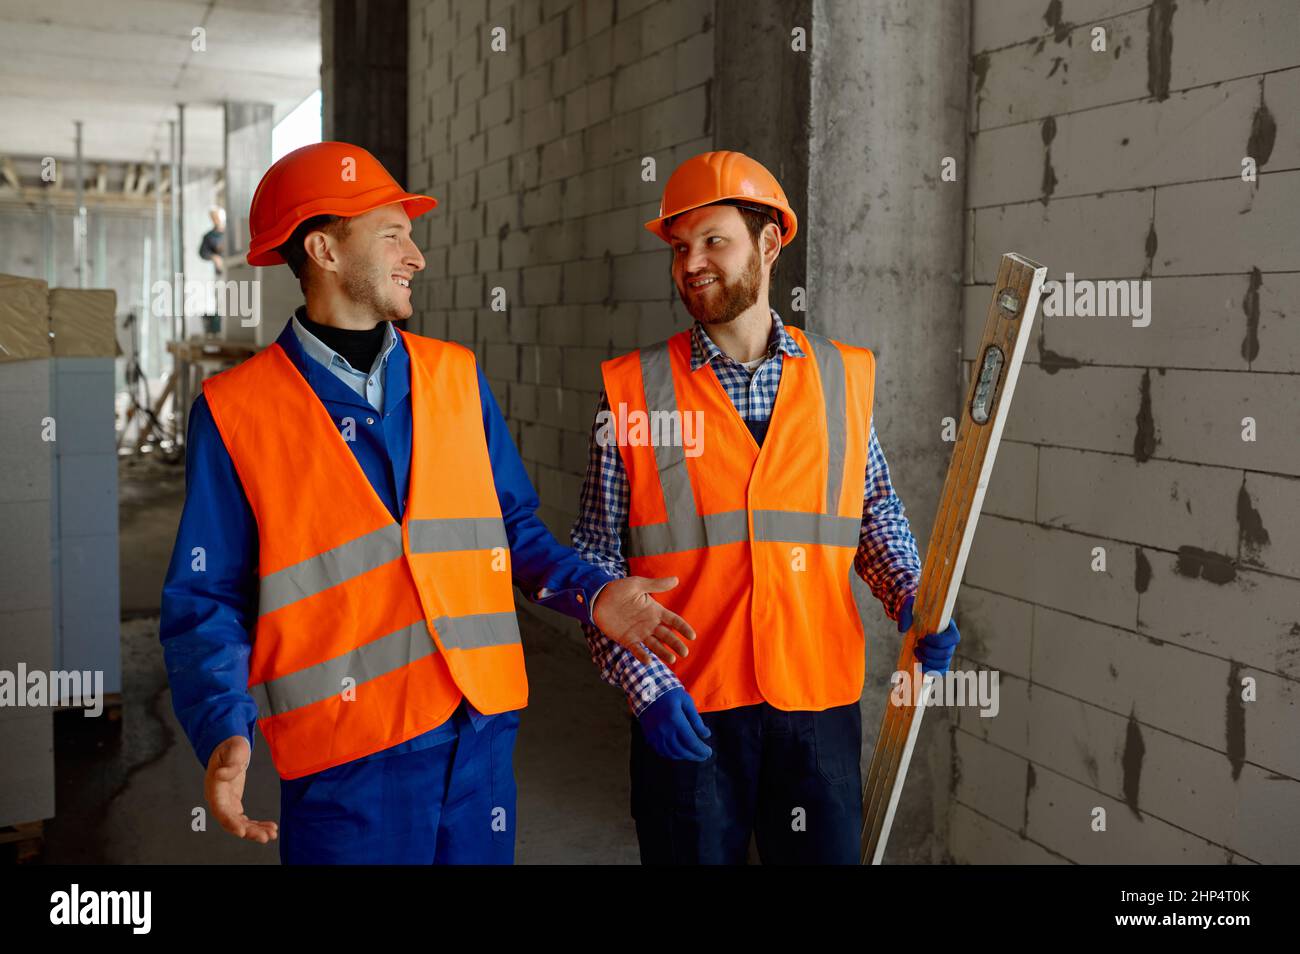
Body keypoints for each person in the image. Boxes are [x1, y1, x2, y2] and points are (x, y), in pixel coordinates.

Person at [160, 141, 695, 864]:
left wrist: (593, 595)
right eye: (393, 235)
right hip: (345, 764)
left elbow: (513, 528)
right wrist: (223, 724)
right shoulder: (235, 410)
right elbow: (206, 594)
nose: (416, 256)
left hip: (477, 739)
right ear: (322, 248)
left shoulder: (454, 377)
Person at [572, 150, 961, 864]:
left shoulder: (841, 378)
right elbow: (594, 560)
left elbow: (873, 509)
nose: (691, 262)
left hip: (816, 709)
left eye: (713, 240)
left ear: (770, 244)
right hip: (686, 703)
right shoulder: (634, 390)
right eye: (679, 247)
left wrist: (911, 594)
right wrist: (642, 684)